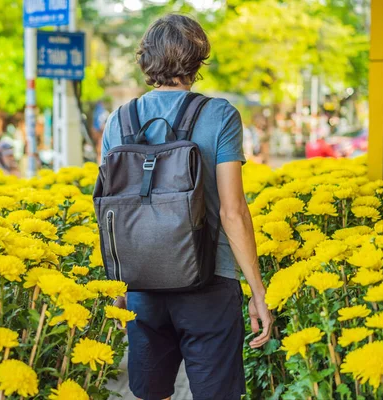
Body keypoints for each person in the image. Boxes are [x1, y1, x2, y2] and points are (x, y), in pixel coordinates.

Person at [101, 14, 272, 400]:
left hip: (142, 283)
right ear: (198, 58)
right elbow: (233, 210)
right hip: (210, 282)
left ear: (146, 59)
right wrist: (257, 291)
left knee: (151, 393)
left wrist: (116, 288)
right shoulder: (220, 116)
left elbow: (112, 209)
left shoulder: (119, 120)